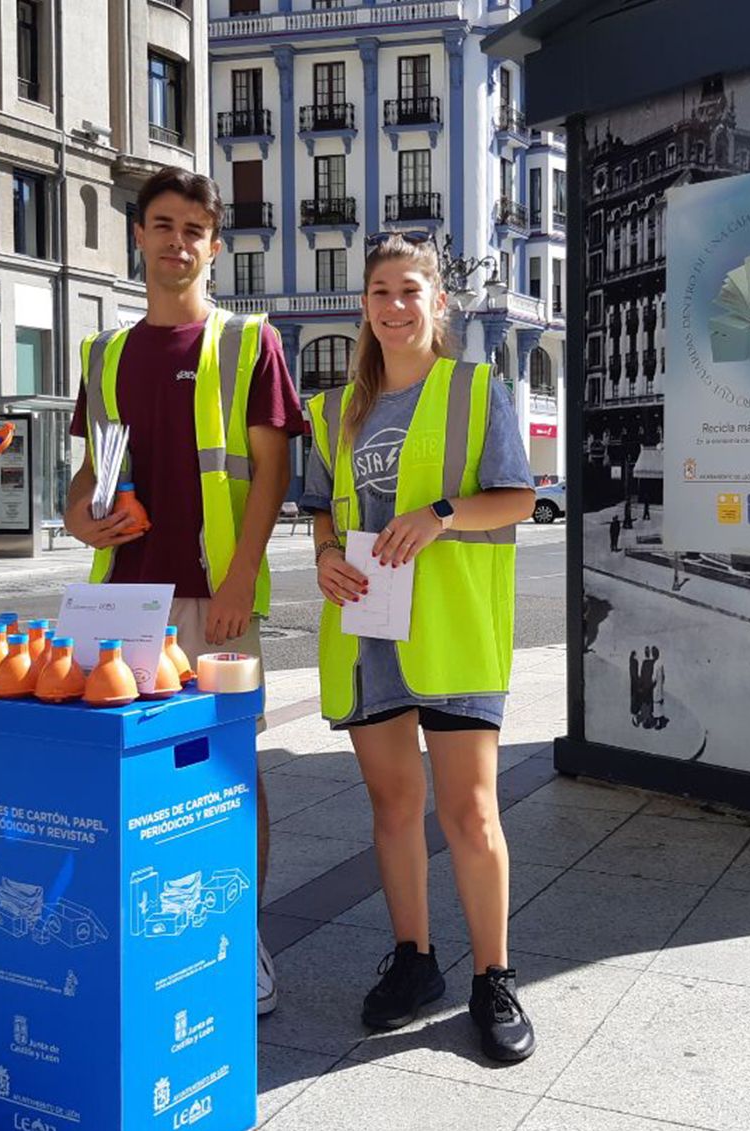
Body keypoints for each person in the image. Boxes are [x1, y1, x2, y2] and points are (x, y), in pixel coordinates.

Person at [62, 167, 302, 1018]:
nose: (178, 243)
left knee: (232, 766)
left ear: (215, 243)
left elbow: (272, 471)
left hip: (216, 598)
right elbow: (92, 473)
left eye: (195, 229)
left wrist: (238, 579)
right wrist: (77, 516)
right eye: (163, 225)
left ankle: (241, 937)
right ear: (139, 235)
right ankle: (151, 928)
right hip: (121, 600)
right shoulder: (106, 353)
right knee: (128, 769)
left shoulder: (247, 343)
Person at [302, 233, 537, 1063]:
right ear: (363, 308)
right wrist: (328, 553)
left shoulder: (477, 390)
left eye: (410, 291)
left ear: (438, 303)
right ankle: (414, 961)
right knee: (394, 807)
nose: (394, 308)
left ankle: (494, 977)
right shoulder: (334, 411)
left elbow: (516, 498)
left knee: (471, 811)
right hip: (369, 631)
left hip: (453, 630)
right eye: (379, 293)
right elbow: (320, 507)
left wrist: (438, 514)